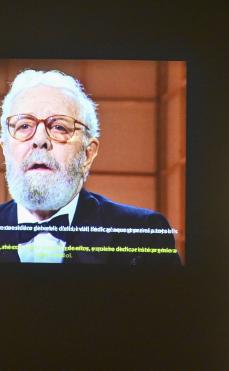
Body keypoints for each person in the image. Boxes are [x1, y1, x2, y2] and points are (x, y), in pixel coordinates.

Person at [0, 69, 180, 265]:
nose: (40, 140)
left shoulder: (144, 233)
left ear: (88, 153)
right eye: (24, 126)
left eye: (59, 127)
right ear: (5, 150)